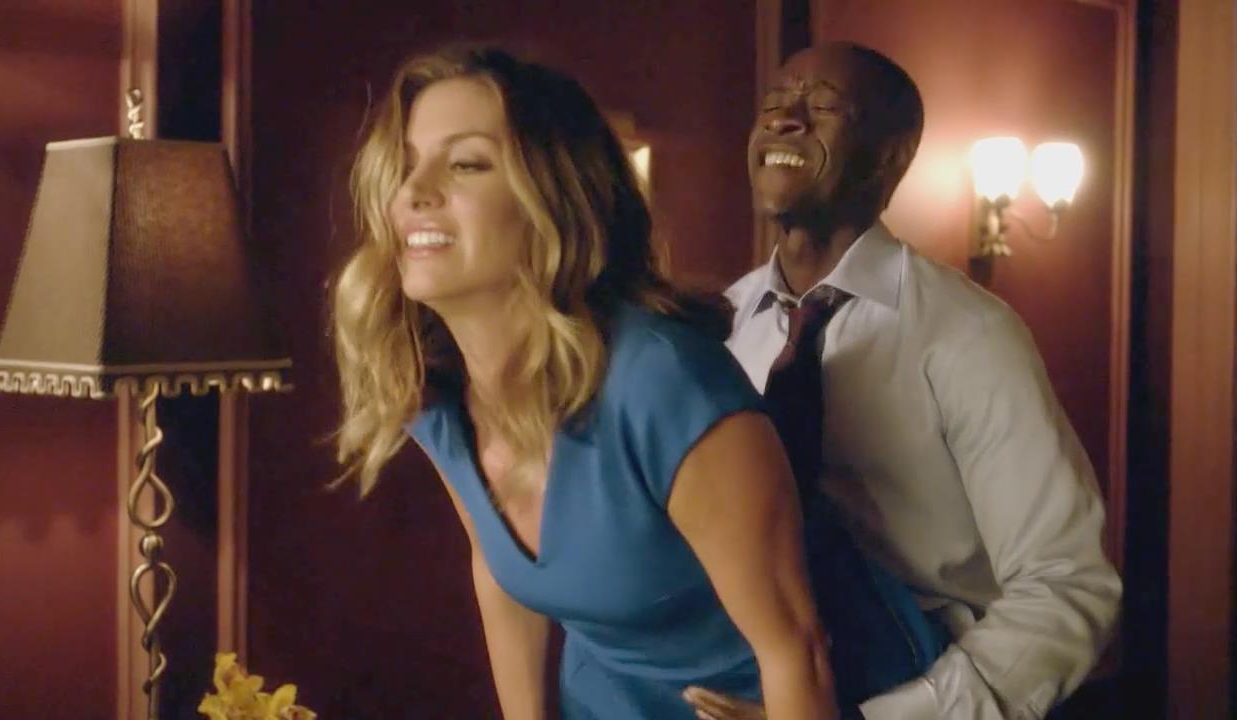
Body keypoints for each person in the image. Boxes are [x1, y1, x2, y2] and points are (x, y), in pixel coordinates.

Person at [331, 45, 839, 719]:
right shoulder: (433, 395)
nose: (413, 192)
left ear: (554, 201)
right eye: (405, 164)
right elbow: (501, 574)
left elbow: (797, 652)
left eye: (466, 164)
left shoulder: (663, 383)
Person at [683, 42, 1122, 720]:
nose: (784, 120)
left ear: (890, 157)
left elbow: (1068, 586)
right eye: (773, 104)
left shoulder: (969, 334)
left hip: (920, 686)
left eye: (823, 106)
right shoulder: (716, 329)